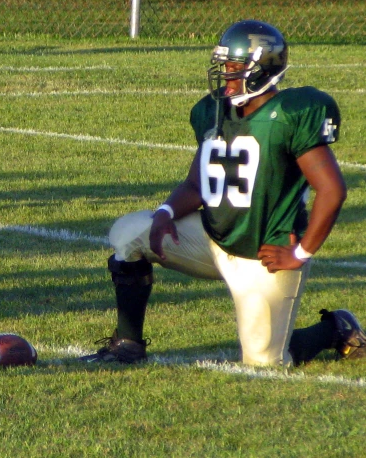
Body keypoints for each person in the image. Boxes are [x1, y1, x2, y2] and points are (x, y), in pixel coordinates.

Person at [82, 19, 364, 367]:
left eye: (234, 67)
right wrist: (166, 213)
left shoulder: (290, 114)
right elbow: (196, 184)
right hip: (211, 239)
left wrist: (301, 252)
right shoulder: (214, 112)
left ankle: (335, 328)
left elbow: (332, 191)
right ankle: (128, 343)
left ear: (263, 69)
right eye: (223, 66)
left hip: (265, 254)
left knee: (264, 361)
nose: (226, 76)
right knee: (128, 233)